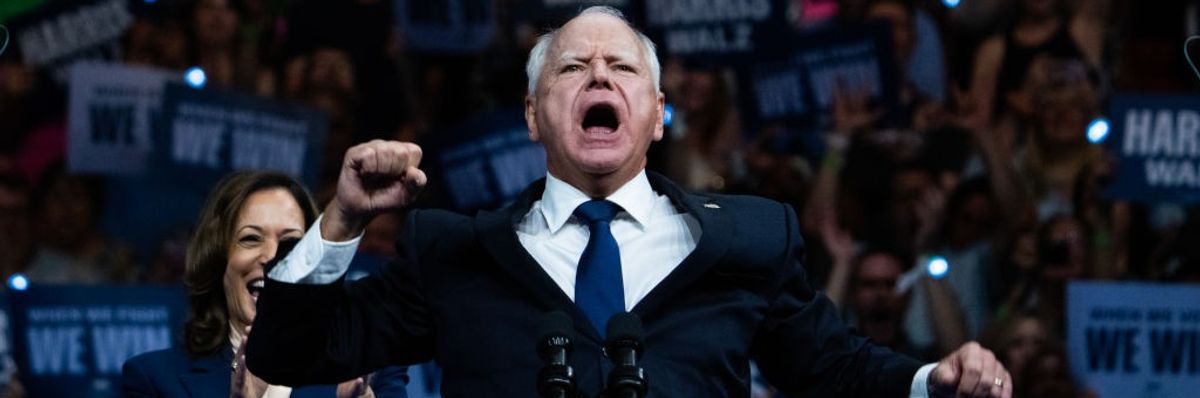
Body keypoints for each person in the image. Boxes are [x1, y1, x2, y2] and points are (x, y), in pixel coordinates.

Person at [247, 7, 1012, 397]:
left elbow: (835, 373)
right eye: (573, 68)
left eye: (622, 70)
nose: (599, 79)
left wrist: (930, 381)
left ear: (656, 114)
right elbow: (288, 353)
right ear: (531, 115)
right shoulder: (452, 249)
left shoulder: (751, 238)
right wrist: (342, 220)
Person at [121, 171, 407, 397]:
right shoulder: (154, 380)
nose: (271, 257)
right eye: (251, 238)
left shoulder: (372, 369)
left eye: (290, 243)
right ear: (218, 260)